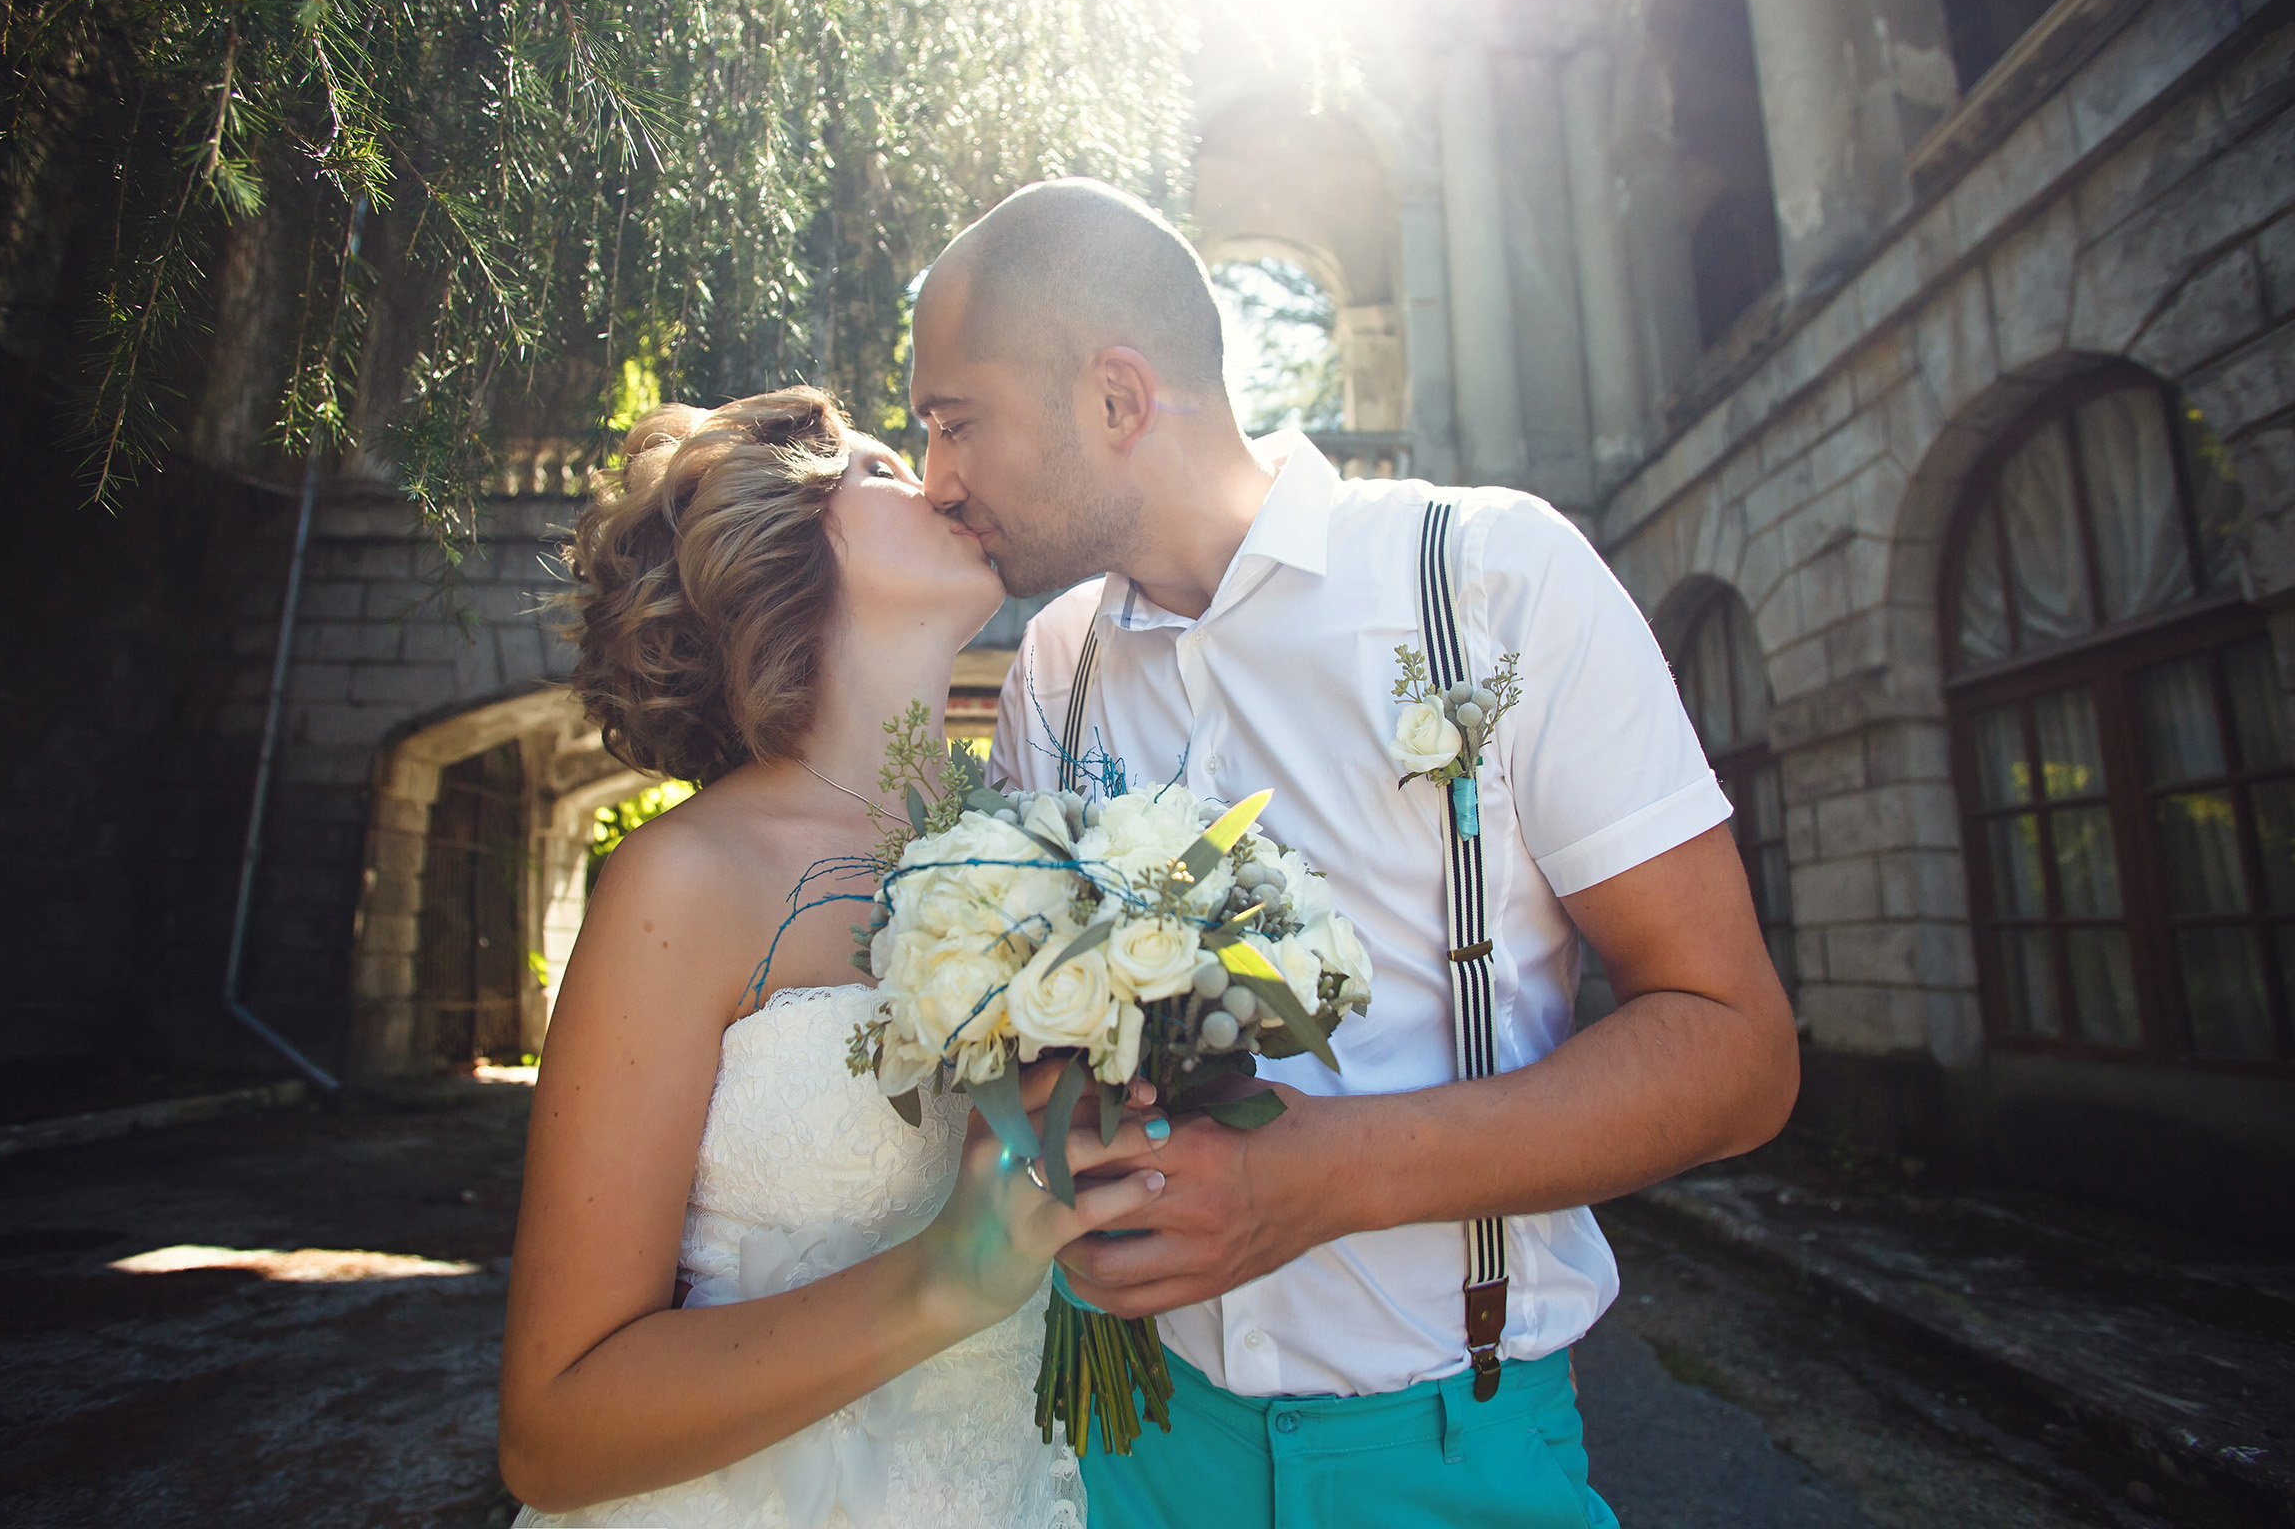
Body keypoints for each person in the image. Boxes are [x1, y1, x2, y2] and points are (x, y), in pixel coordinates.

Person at [912, 178, 1802, 1526]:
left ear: (1115, 399)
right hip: (1132, 1448)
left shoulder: (1492, 580)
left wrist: (1320, 1179)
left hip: (1449, 1459)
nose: (936, 480)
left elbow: (1738, 1052)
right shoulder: (1053, 662)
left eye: (952, 422)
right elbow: (1028, 1040)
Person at [497, 389, 1168, 1527]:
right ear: (776, 538)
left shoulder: (1040, 843)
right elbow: (551, 1433)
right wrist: (943, 1275)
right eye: (878, 469)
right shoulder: (685, 881)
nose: (941, 480)